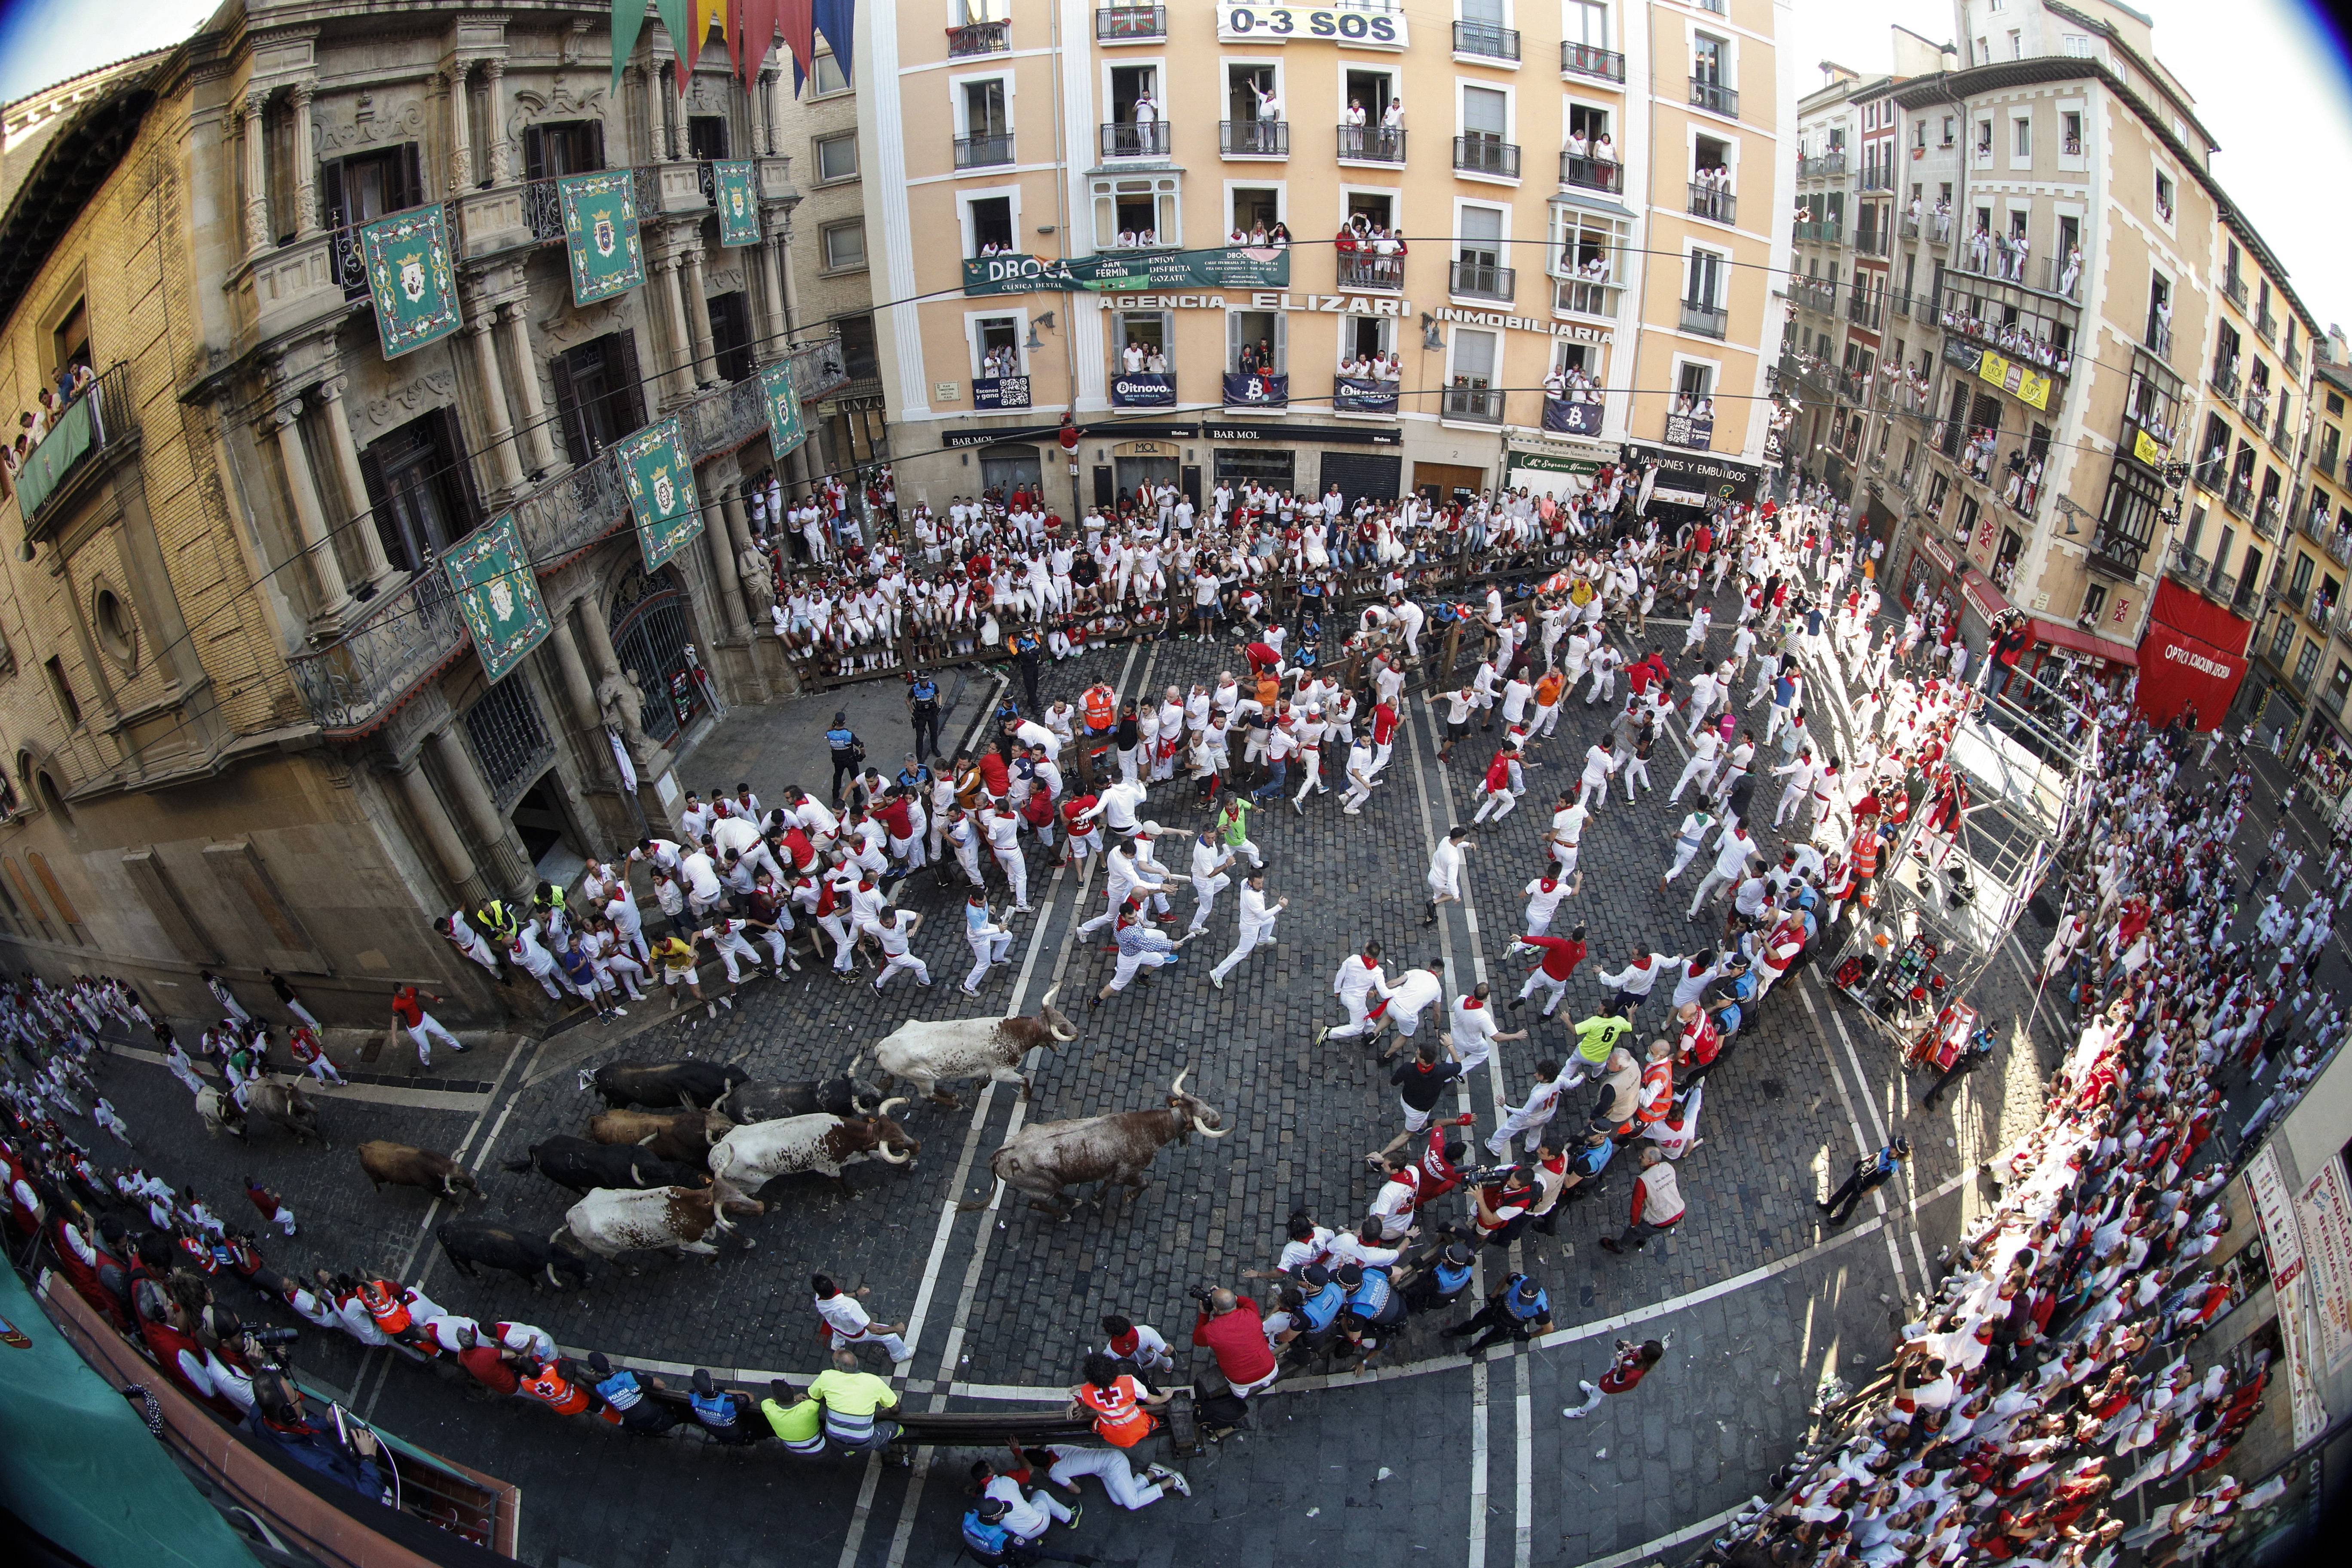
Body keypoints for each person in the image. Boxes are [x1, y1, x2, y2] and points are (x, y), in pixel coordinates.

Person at [806, 1349, 904, 1452]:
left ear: (839, 1369)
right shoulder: (873, 1381)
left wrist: (828, 1403)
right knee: (894, 1427)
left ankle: (850, 1451)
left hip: (833, 1437)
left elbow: (813, 1396)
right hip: (864, 1442)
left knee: (851, 1444)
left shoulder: (826, 1377)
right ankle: (903, 1435)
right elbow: (895, 1409)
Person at [1190, 1286, 1279, 1396]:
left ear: (1216, 1309)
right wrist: (1230, 1298)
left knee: (1241, 1392)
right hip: (1269, 1368)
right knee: (1266, 1380)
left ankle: (1242, 1395)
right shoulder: (1251, 1313)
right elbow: (1249, 1302)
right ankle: (1266, 1384)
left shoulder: (1210, 1331)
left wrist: (1204, 1314)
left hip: (1241, 1379)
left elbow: (1198, 1340)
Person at [1208, 869, 1287, 989]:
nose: (1261, 886)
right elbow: (1263, 916)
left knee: (1271, 921)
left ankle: (1263, 939)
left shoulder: (1245, 882)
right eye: (1258, 884)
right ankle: (1218, 973)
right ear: (1251, 883)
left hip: (1252, 921)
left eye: (1262, 883)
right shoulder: (1253, 899)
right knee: (1241, 953)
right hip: (1250, 928)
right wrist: (1279, 906)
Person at [1442, 1272, 1554, 1356]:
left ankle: (1480, 1346)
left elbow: (1548, 1329)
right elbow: (1508, 1276)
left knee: (1491, 1338)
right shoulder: (1519, 1280)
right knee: (1473, 1325)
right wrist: (1494, 1295)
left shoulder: (1540, 1308)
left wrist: (1529, 1336)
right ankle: (1459, 1331)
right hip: (1496, 1310)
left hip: (1508, 1326)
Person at [1600, 1146, 1685, 1254]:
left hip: (1662, 1220)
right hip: (1679, 1211)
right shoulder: (1668, 1167)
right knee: (1649, 1229)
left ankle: (1619, 1246)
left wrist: (1634, 1224)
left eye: (1643, 1157)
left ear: (1650, 1161)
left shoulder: (1643, 1180)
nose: (1640, 1157)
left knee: (1634, 1231)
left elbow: (1637, 1205)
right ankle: (1642, 1240)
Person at [812, 1274, 911, 1363]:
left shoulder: (819, 1299)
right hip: (856, 1334)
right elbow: (874, 1330)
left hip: (836, 1327)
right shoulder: (851, 1306)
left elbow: (838, 1298)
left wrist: (856, 1294)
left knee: (839, 1334)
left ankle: (837, 1346)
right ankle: (899, 1355)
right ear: (833, 1283)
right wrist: (896, 1329)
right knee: (890, 1336)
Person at [1563, 1336, 1670, 1418]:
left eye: (1642, 1350)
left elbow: (1618, 1380)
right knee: (1599, 1386)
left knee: (1597, 1395)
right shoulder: (1644, 1358)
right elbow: (1637, 1350)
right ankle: (1592, 1390)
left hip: (1612, 1384)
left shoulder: (1635, 1373)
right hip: (1613, 1374)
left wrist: (1619, 1363)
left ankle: (1581, 1412)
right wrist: (1630, 1347)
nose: (1639, 1348)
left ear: (1646, 1356)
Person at [1819, 1136, 1910, 1226]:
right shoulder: (1887, 1150)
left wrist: (1865, 1193)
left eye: (1893, 1146)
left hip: (1867, 1184)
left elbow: (1878, 1184)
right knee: (1844, 1189)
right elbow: (1877, 1155)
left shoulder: (1891, 1168)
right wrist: (1862, 1161)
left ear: (1897, 1152)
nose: (1890, 1145)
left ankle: (1841, 1220)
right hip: (1863, 1172)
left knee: (1851, 1202)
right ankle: (1829, 1207)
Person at [388, 984, 465, 1069]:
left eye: (404, 991)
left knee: (443, 1032)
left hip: (424, 1019)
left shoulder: (410, 990)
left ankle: (459, 1048)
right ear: (397, 994)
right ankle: (426, 1064)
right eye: (402, 994)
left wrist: (436, 999)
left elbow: (423, 992)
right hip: (415, 1029)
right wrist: (394, 1038)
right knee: (426, 1049)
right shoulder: (397, 1004)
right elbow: (395, 1021)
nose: (405, 994)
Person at [825, 710, 865, 805]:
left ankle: (835, 795)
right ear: (845, 722)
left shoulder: (831, 735)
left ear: (836, 722)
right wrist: (862, 755)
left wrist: (833, 724)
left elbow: (828, 730)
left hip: (838, 761)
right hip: (850, 760)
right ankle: (857, 798)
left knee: (838, 776)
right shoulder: (848, 735)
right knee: (855, 778)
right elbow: (861, 746)